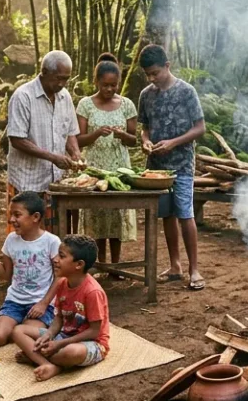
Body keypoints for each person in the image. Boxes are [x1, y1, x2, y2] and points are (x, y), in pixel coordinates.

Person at [137, 44, 207, 290]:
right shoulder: (146, 94)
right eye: (148, 74)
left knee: (185, 213)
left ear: (168, 65)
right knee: (167, 214)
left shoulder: (187, 92)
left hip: (182, 165)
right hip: (156, 168)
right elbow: (144, 129)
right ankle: (175, 266)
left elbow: (200, 128)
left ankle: (194, 270)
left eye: (156, 72)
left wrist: (174, 143)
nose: (152, 78)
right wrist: (146, 142)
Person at [0, 191, 60, 347]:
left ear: (35, 217)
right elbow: (5, 274)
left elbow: (60, 276)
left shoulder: (51, 242)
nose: (11, 220)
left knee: (26, 334)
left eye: (17, 215)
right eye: (11, 215)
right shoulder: (11, 239)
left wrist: (44, 303)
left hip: (41, 303)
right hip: (15, 302)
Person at [12, 235, 110, 381]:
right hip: (64, 335)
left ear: (79, 265)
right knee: (18, 331)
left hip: (92, 344)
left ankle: (37, 358)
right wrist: (48, 336)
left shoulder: (92, 292)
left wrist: (59, 344)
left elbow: (94, 331)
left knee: (70, 353)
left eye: (62, 256)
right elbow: (59, 318)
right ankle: (49, 364)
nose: (55, 259)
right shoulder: (63, 284)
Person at [6, 50, 82, 230]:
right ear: (44, 72)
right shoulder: (23, 96)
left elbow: (70, 132)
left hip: (55, 182)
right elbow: (17, 139)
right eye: (58, 78)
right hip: (28, 180)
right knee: (26, 235)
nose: (62, 84)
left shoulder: (65, 97)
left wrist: (76, 153)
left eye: (66, 79)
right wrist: (53, 157)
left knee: (54, 236)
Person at [76, 53, 139, 263]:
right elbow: (79, 140)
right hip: (95, 167)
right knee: (97, 214)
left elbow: (134, 140)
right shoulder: (85, 104)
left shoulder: (127, 104)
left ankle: (116, 262)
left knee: (116, 214)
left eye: (114, 85)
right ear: (96, 82)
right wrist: (96, 133)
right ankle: (100, 261)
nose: (110, 89)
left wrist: (122, 135)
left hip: (119, 167)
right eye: (105, 85)